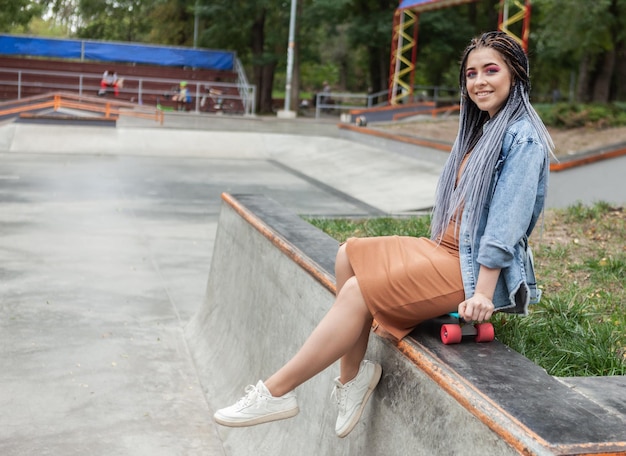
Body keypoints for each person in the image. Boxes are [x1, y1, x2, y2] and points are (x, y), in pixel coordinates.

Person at [213, 31, 554, 438]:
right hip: (444, 250)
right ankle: (353, 379)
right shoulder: (484, 129)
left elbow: (506, 223)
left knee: (358, 291)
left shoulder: (523, 137)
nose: (479, 81)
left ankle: (276, 391)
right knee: (348, 254)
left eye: (491, 70)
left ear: (516, 73)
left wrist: (482, 292)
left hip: (469, 271)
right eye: (471, 74)